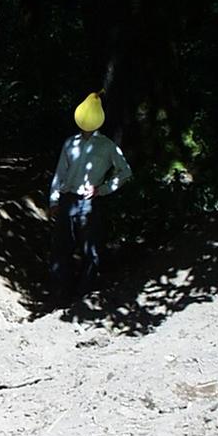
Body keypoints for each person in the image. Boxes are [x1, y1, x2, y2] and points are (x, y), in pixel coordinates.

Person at [48, 91, 132, 304]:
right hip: (67, 200)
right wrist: (54, 201)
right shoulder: (70, 143)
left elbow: (125, 171)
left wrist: (102, 189)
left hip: (90, 203)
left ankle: (83, 296)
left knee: (90, 250)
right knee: (61, 248)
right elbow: (60, 173)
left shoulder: (107, 146)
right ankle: (60, 295)